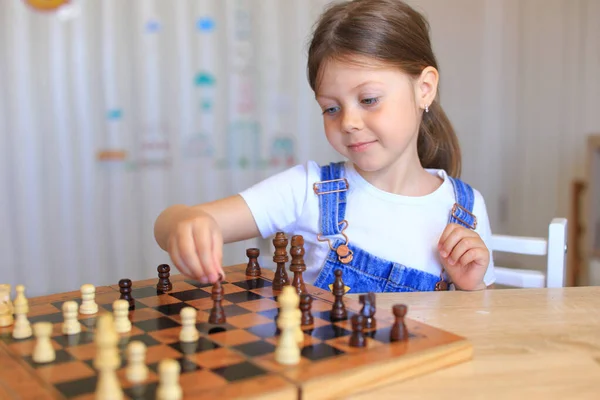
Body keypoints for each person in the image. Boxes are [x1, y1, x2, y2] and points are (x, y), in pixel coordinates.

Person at [154, 0, 496, 292]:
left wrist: (472, 288)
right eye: (331, 108)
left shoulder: (466, 207)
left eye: (369, 99)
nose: (347, 122)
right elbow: (171, 222)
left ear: (424, 88)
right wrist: (185, 223)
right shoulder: (310, 191)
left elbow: (483, 325)